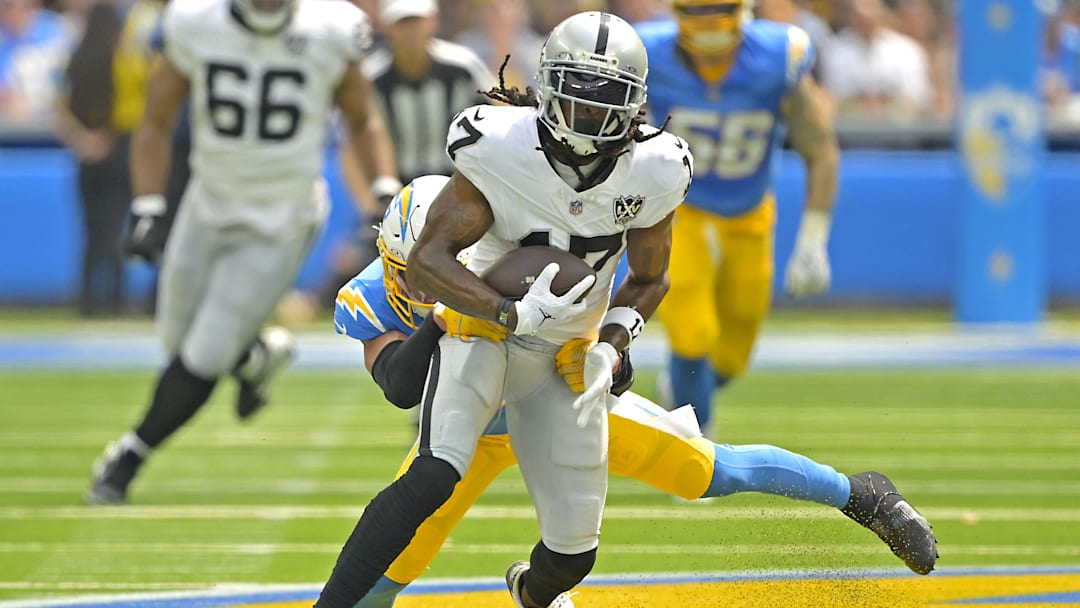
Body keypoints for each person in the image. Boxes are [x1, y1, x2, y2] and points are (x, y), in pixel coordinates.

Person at [329, 174, 937, 607]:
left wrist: (609, 360)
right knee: (388, 567)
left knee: (707, 471)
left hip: (554, 398)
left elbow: (599, 330)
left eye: (452, 262)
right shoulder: (371, 300)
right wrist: (446, 317)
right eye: (418, 270)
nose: (432, 281)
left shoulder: (515, 252)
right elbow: (400, 385)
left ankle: (860, 495)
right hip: (465, 431)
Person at [316, 12, 694, 608]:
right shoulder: (496, 146)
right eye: (579, 94)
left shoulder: (657, 167)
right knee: (434, 474)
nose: (591, 113)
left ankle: (534, 590)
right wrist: (506, 312)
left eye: (608, 99)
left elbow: (651, 278)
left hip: (563, 356)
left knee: (574, 553)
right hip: (482, 330)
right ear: (548, 87)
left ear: (636, 104)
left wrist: (611, 344)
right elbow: (425, 269)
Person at [85, 0, 391, 505]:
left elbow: (362, 119)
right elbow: (156, 119)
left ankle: (127, 457)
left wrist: (382, 185)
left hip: (282, 218)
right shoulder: (194, 21)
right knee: (176, 341)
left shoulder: (332, 27)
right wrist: (147, 205)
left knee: (202, 356)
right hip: (207, 205)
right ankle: (254, 356)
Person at [635, 0, 840, 435]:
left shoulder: (776, 57)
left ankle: (682, 390)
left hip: (748, 214)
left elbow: (819, 148)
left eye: (719, 8)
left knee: (733, 354)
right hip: (679, 209)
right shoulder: (647, 53)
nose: (709, 21)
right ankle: (695, 443)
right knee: (691, 331)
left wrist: (813, 239)